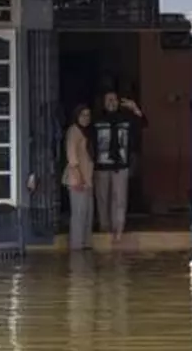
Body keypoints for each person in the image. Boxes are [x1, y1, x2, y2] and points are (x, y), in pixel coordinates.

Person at [92, 88, 147, 244]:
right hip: (101, 167)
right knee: (103, 200)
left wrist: (134, 107)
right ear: (103, 103)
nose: (111, 103)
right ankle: (105, 230)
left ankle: (118, 232)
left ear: (119, 102)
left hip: (121, 166)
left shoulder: (126, 119)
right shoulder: (97, 119)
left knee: (120, 200)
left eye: (114, 100)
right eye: (108, 100)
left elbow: (143, 124)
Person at [62, 105, 94, 251]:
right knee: (79, 213)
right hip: (77, 178)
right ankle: (76, 245)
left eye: (88, 115)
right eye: (83, 115)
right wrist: (79, 177)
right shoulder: (73, 131)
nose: (86, 118)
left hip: (87, 178)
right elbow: (72, 156)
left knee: (87, 212)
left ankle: (85, 243)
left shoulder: (86, 132)